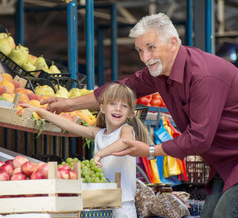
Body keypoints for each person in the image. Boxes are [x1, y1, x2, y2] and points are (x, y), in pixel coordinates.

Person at [41, 13, 238, 218]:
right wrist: (67, 104)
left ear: (173, 43)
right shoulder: (157, 74)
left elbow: (199, 138)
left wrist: (150, 151)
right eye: (140, 50)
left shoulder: (203, 76)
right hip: (229, 158)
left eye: (151, 47)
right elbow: (120, 89)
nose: (145, 57)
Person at [21, 83, 152, 218]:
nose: (118, 109)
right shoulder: (99, 134)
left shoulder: (126, 130)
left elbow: (124, 142)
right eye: (113, 104)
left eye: (124, 106)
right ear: (102, 108)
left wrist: (100, 154)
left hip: (123, 204)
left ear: (130, 113)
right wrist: (40, 111)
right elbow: (69, 125)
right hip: (102, 203)